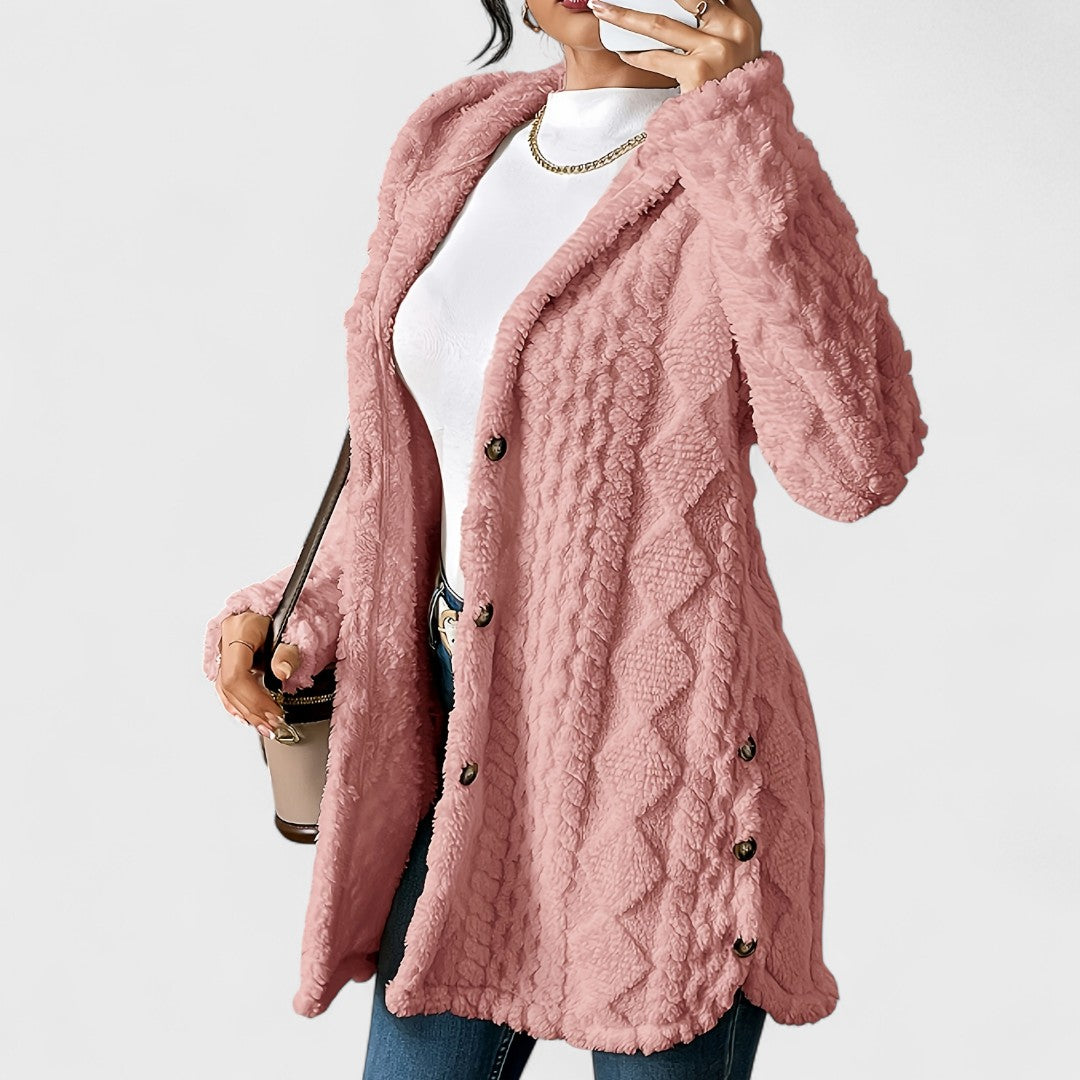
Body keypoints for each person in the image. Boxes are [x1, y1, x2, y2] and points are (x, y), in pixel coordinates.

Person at [204, 2, 927, 1077]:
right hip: (454, 729)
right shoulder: (456, 139)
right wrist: (304, 606)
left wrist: (741, 125)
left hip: (662, 755)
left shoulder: (730, 158)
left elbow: (855, 465)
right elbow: (411, 459)